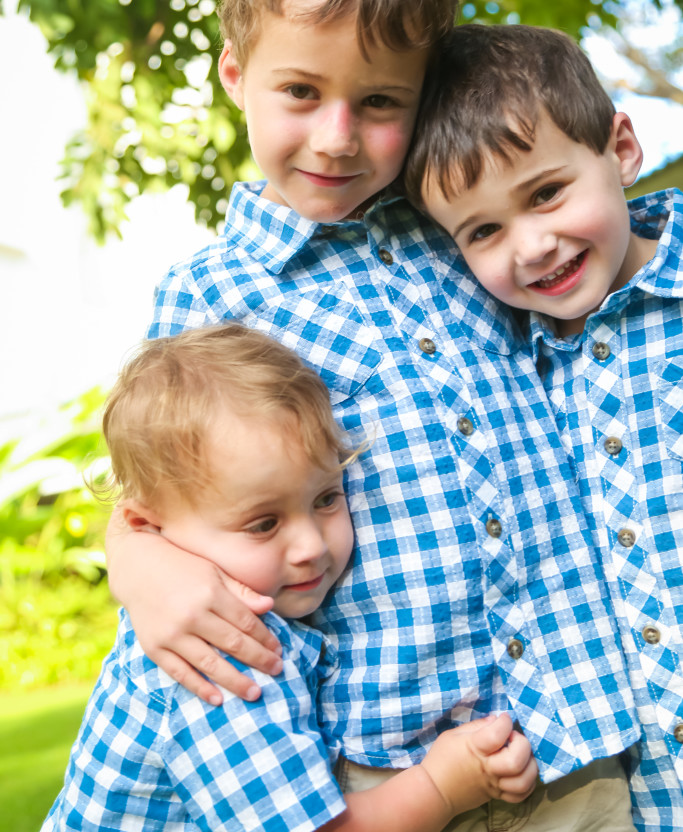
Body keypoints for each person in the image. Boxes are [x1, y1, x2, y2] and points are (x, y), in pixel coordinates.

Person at [106, 0, 642, 832]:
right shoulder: (208, 298)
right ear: (236, 75)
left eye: (381, 101)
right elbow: (166, 489)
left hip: (578, 728)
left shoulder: (472, 232)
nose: (337, 137)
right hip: (390, 765)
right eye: (300, 93)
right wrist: (135, 561)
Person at [44, 324, 538, 832]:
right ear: (150, 527)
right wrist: (443, 784)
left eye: (326, 498)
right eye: (263, 523)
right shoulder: (221, 658)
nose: (311, 547)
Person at [403, 21, 683, 831]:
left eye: (546, 192)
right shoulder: (508, 370)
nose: (531, 245)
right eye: (482, 232)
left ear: (621, 148)